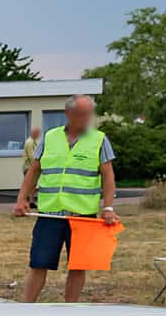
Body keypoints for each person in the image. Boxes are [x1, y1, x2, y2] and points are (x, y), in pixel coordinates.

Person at [14, 94, 118, 303]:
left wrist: (108, 208)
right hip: (50, 213)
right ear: (68, 114)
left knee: (78, 265)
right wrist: (21, 199)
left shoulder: (99, 139)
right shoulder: (50, 137)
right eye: (81, 114)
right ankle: (25, 309)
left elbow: (108, 175)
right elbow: (34, 171)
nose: (86, 118)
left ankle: (70, 310)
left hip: (82, 216)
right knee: (38, 263)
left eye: (89, 113)